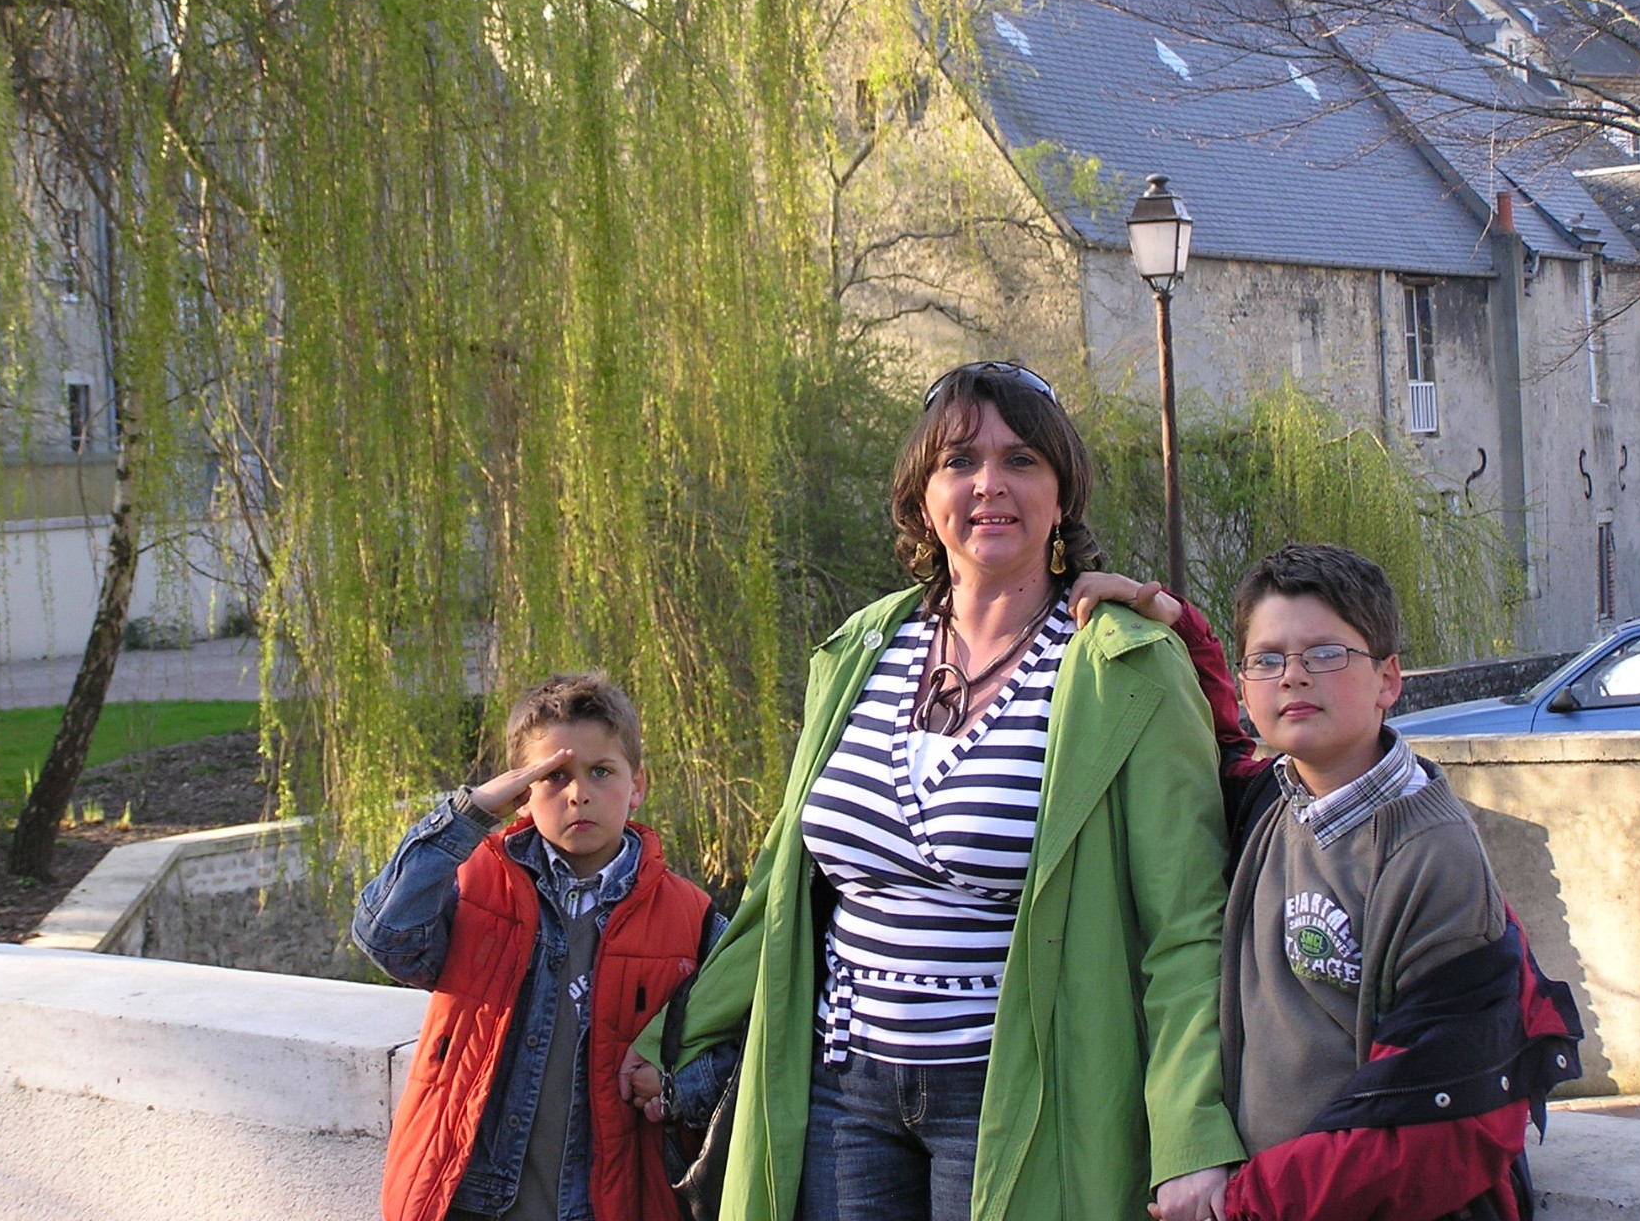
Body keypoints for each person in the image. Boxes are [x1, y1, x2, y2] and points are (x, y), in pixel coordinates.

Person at [622, 360, 1246, 1221]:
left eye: (1022, 459)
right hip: (841, 1090)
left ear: (1062, 494)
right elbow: (781, 894)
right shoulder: (859, 649)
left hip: (1018, 1099)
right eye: (959, 461)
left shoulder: (1123, 666)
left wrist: (1190, 1134)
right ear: (923, 496)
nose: (990, 483)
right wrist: (679, 1033)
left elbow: (1185, 925)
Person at [1215, 544, 1581, 1220]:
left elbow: (1434, 1127)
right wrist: (1172, 621)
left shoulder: (1431, 858)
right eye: (1266, 660)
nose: (1292, 677)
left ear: (1388, 680)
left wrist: (1240, 1203)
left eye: (1325, 653)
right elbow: (1204, 746)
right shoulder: (1273, 802)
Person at [352, 671, 727, 1221]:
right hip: (473, 1199)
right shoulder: (475, 886)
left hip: (617, 1201)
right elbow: (388, 939)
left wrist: (676, 1088)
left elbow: (747, 1041)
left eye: (601, 772)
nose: (579, 793)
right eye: (554, 776)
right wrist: (469, 815)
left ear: (638, 785)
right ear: (521, 792)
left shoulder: (689, 916)